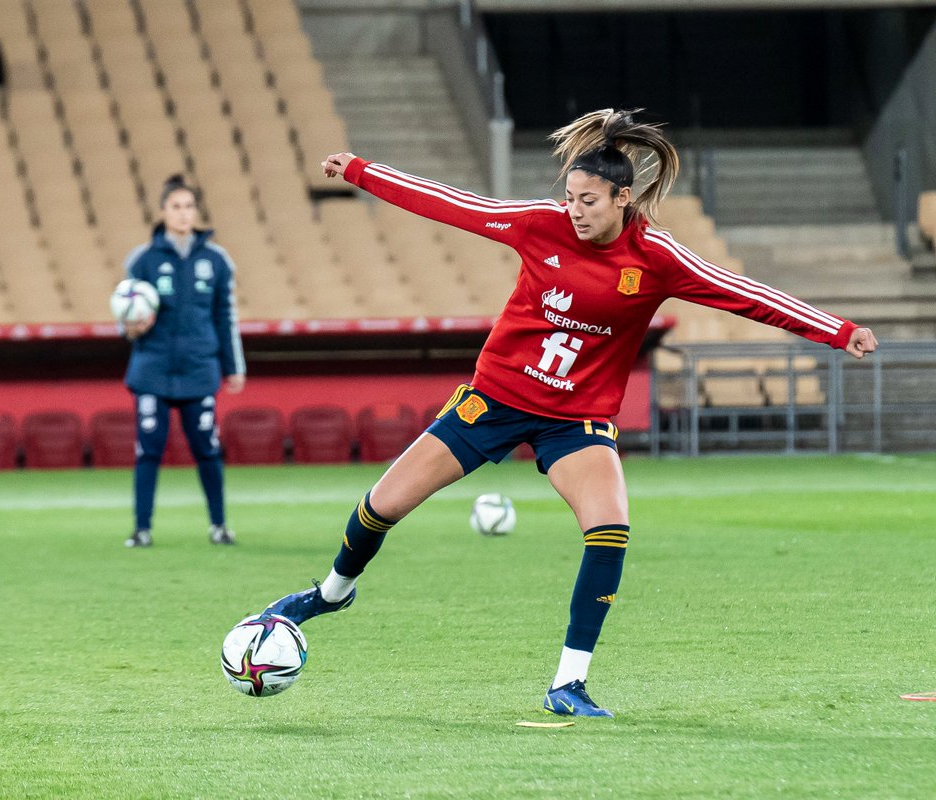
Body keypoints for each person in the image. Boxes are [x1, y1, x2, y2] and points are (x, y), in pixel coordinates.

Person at [260, 109, 879, 716]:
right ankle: (332, 593)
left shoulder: (656, 256)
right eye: (570, 198)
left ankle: (568, 684)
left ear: (622, 199)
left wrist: (837, 330)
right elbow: (454, 205)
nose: (575, 211)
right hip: (494, 401)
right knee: (382, 506)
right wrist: (363, 172)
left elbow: (742, 294)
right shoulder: (541, 225)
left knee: (609, 530)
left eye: (588, 201)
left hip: (575, 420)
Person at [121, 175, 246, 548]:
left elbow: (226, 316)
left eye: (189, 206)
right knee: (149, 451)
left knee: (207, 449)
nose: (183, 213)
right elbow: (124, 312)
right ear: (163, 212)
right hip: (152, 370)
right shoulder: (143, 259)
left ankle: (219, 526)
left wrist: (234, 366)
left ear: (196, 211)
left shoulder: (216, 260)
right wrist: (132, 327)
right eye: (176, 206)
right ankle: (142, 529)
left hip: (198, 369)